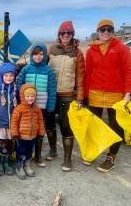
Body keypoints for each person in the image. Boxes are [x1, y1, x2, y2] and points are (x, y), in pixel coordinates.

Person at [85, 19, 131, 172]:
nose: (106, 33)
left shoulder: (122, 48)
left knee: (115, 126)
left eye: (109, 30)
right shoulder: (92, 50)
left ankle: (111, 157)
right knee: (94, 124)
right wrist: (84, 95)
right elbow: (88, 73)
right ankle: (94, 151)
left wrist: (127, 94)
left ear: (113, 32)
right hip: (95, 92)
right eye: (102, 30)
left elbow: (128, 72)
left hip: (116, 94)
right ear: (98, 32)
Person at [47, 21, 85, 171]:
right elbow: (40, 66)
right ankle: (52, 150)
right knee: (49, 123)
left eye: (68, 33)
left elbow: (81, 77)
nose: (65, 36)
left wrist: (80, 98)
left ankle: (67, 159)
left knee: (66, 126)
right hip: (51, 93)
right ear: (59, 34)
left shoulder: (78, 53)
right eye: (63, 33)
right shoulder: (51, 49)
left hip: (67, 94)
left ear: (72, 34)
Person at [17, 43, 56, 167]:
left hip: (42, 106)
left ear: (44, 55)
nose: (38, 57)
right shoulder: (26, 69)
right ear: (31, 55)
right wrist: (19, 102)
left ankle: (38, 156)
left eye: (41, 54)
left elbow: (52, 90)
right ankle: (25, 155)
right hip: (26, 106)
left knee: (40, 130)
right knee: (26, 129)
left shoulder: (48, 71)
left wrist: (50, 107)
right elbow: (19, 86)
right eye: (35, 54)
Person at [11, 84, 45, 179]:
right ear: (23, 96)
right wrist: (15, 134)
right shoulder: (19, 109)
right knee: (21, 152)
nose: (30, 98)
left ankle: (27, 165)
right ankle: (19, 166)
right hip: (22, 137)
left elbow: (40, 121)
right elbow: (14, 122)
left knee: (30, 152)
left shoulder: (37, 109)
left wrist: (41, 133)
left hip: (33, 136)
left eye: (32, 96)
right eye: (28, 96)